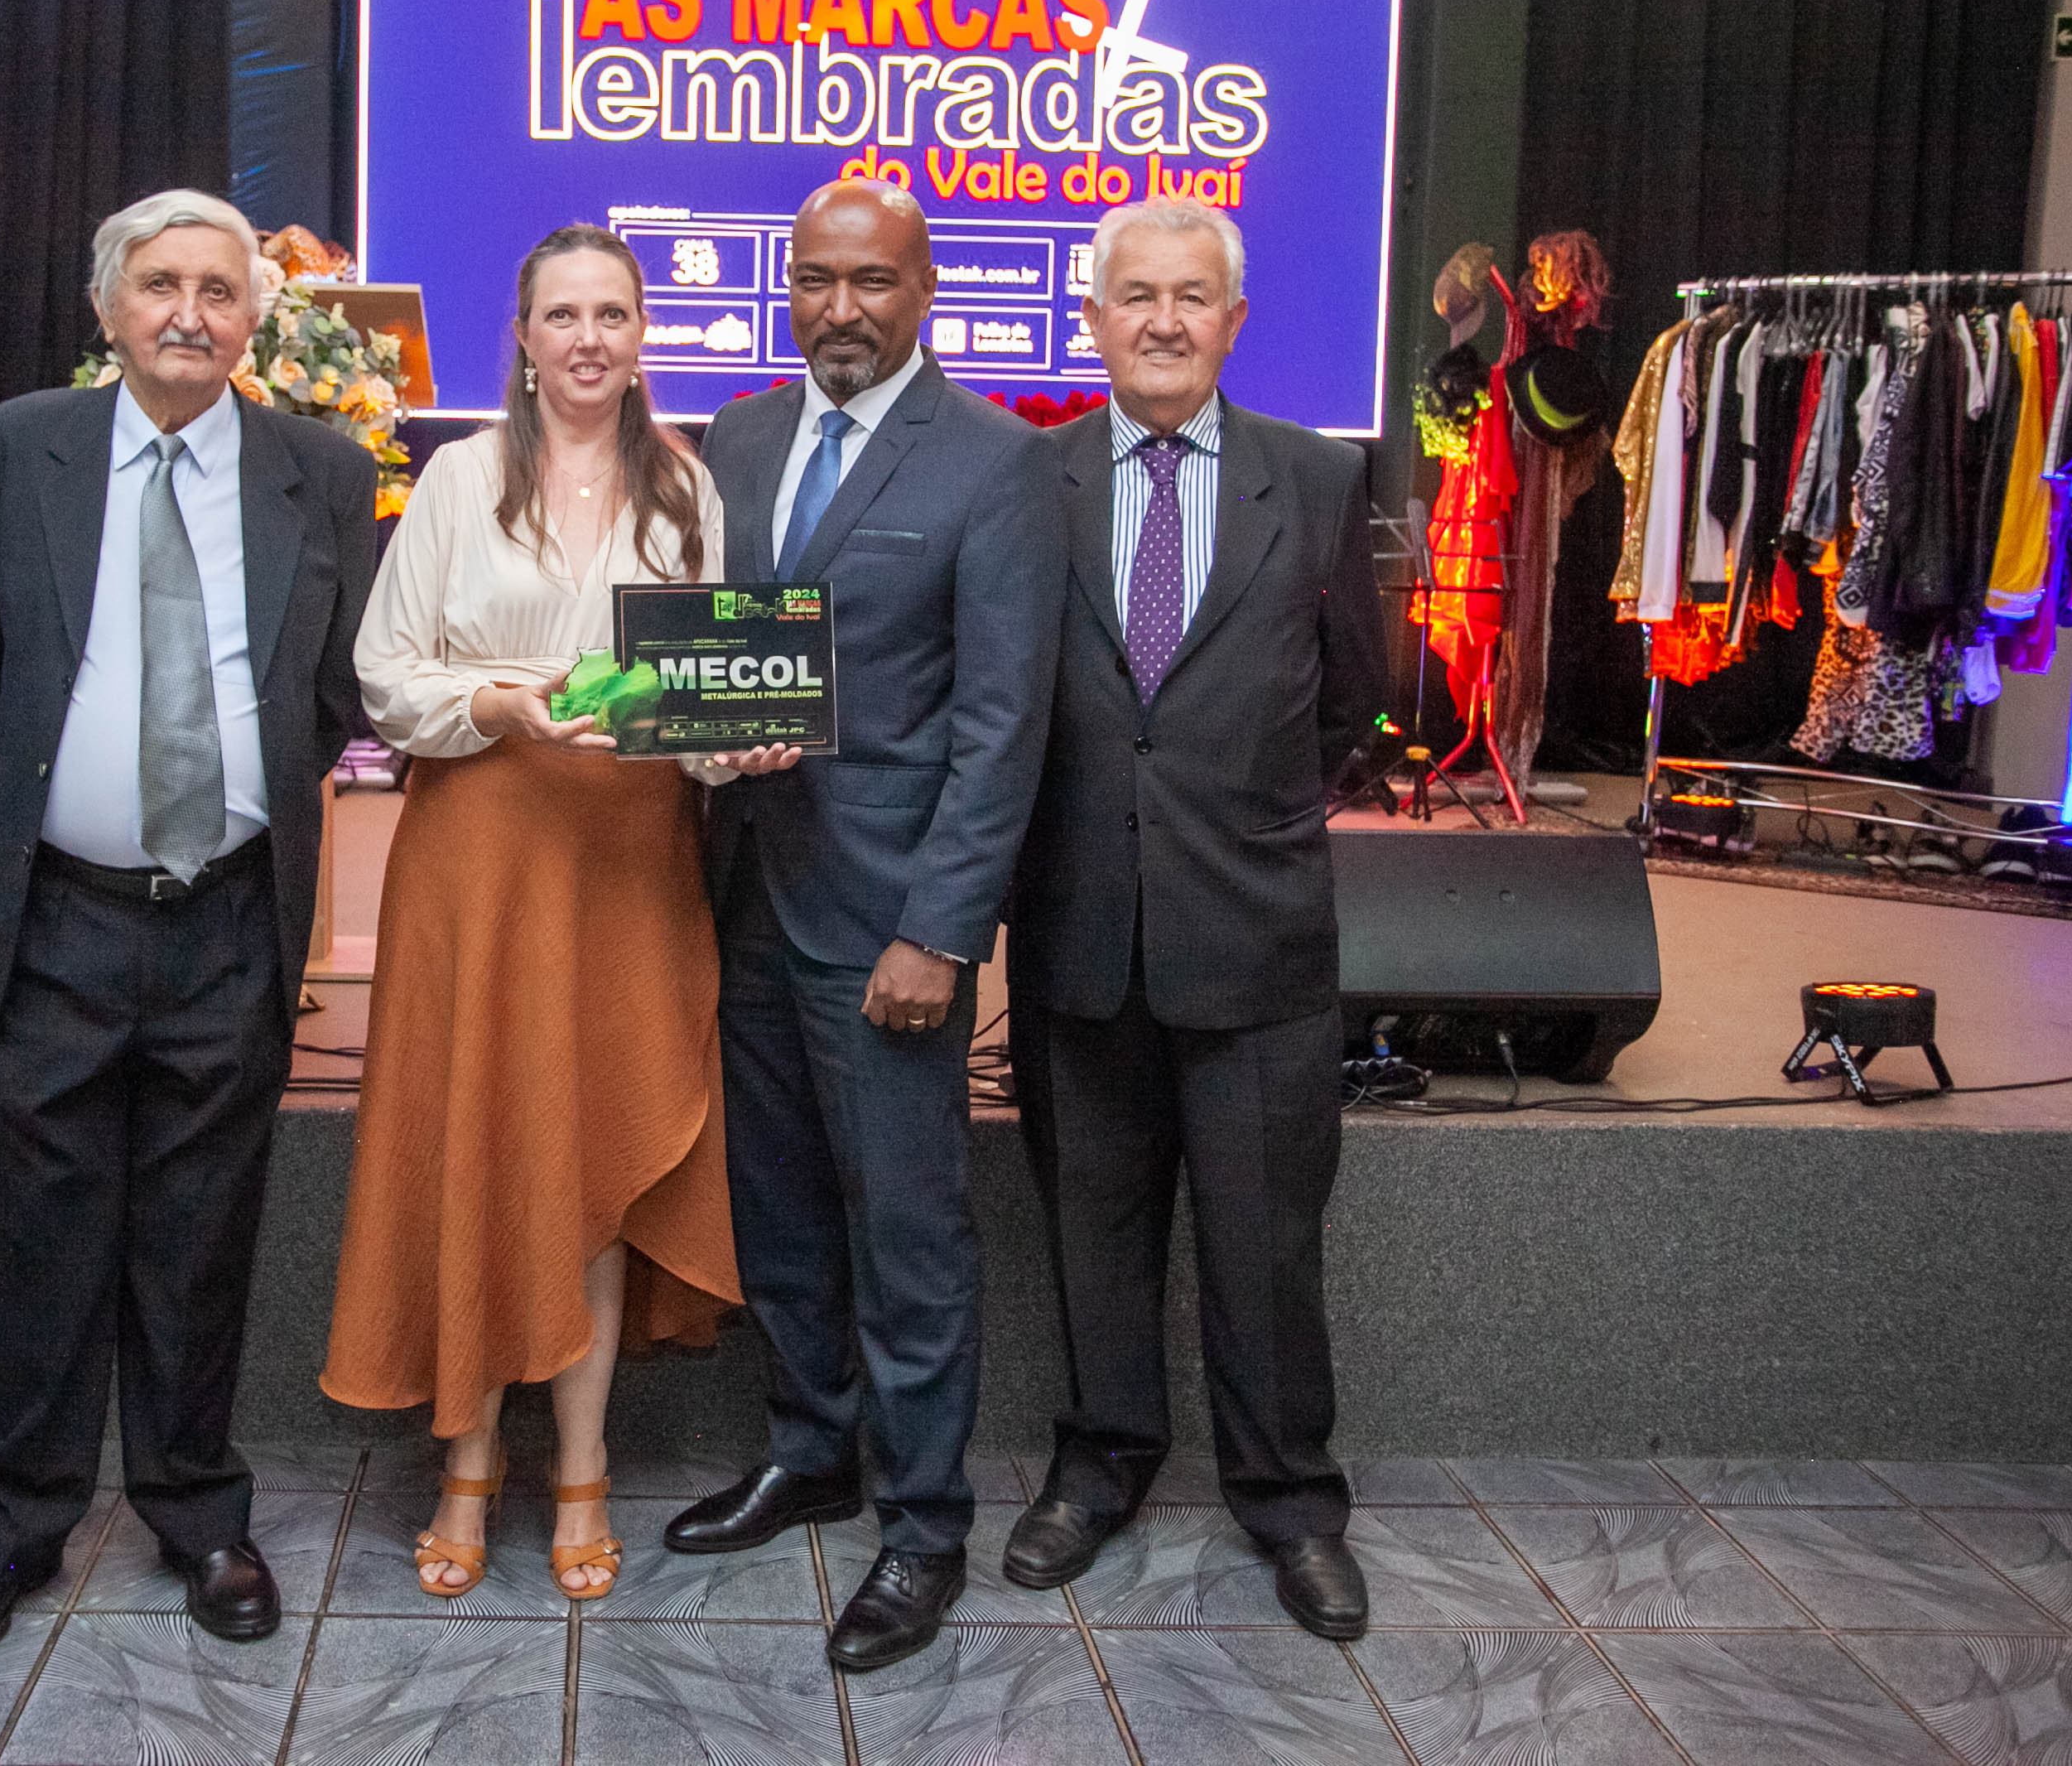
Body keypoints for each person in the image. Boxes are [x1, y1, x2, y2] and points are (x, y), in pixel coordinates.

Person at [0, 189, 377, 1669]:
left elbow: (331, 694)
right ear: (109, 308)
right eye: (160, 284)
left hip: (230, 919)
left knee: (200, 1235)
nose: (188, 311)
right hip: (57, 917)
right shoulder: (25, 443)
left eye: (218, 289)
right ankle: (14, 1526)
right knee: (39, 1238)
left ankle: (195, 1510)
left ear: (254, 320)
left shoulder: (319, 466)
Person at [322, 224, 797, 1601]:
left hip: (631, 864)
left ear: (642, 336)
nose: (588, 337)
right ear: (524, 340)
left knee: (590, 1150)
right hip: (480, 852)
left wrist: (741, 743)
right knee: (480, 1140)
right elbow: (384, 672)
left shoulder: (689, 489)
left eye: (612, 313)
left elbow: (702, 704)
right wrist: (494, 701)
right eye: (562, 315)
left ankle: (582, 1462)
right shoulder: (458, 478)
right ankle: (468, 1461)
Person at [667, 178, 1066, 1671]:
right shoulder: (740, 436)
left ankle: (923, 1523)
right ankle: (810, 1446)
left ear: (925, 289)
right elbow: (715, 649)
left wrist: (941, 932)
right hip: (746, 894)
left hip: (892, 916)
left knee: (907, 1230)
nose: (840, 307)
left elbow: (1001, 725)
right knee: (777, 1205)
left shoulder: (995, 462)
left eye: (873, 281)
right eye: (816, 279)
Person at [1001, 199, 1384, 1640]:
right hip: (1078, 934)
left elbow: (1353, 695)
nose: (1162, 319)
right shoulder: (1028, 481)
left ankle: (1290, 1501)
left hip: (1258, 935)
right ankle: (1098, 1464)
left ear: (1234, 319)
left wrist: (1237, 815)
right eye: (1135, 294)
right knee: (1092, 1232)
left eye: (1191, 295)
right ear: (1092, 319)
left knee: (1265, 1246)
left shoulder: (1319, 477)